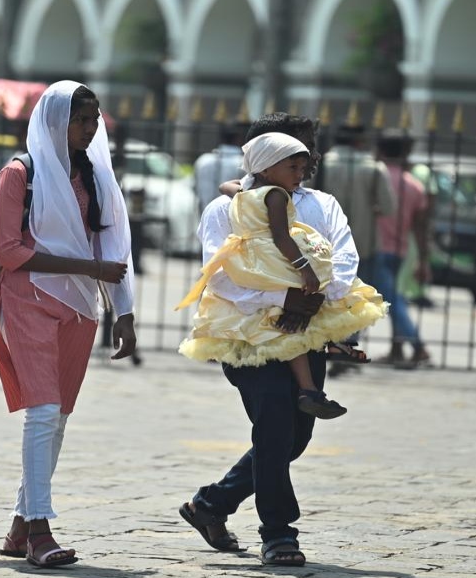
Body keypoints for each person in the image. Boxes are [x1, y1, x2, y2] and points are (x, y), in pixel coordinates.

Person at [178, 112, 360, 567]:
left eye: (307, 150)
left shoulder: (322, 204)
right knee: (276, 420)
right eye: (291, 152)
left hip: (306, 329)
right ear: (260, 158)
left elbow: (343, 259)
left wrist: (320, 298)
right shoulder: (226, 209)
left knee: (295, 435)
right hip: (247, 334)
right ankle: (279, 532)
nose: (305, 159)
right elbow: (221, 277)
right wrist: (285, 295)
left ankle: (212, 504)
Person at [0, 82, 137, 568]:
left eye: (94, 119)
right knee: (43, 411)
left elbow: (113, 246)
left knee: (58, 419)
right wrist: (88, 271)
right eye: (80, 119)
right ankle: (39, 531)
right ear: (55, 121)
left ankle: (18, 524)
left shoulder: (95, 175)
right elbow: (8, 252)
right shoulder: (20, 175)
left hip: (80, 309)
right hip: (28, 299)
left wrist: (125, 311)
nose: (89, 128)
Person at [177, 132, 384, 419]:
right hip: (273, 267)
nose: (304, 172)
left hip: (262, 269)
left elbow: (229, 186)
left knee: (293, 426)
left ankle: (310, 389)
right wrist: (303, 273)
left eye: (303, 164)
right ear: (266, 165)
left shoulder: (246, 195)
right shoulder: (275, 197)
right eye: (293, 166)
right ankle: (311, 389)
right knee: (275, 412)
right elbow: (282, 238)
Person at [373, 131, 431, 367]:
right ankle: (397, 349)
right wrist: (423, 259)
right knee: (392, 297)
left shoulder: (376, 176)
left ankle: (418, 345)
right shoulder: (414, 185)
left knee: (391, 300)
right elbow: (420, 227)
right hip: (400, 249)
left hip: (374, 245)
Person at [318, 125, 396, 279]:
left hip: (323, 240)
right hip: (363, 243)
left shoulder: (320, 166)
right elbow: (388, 208)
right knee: (362, 294)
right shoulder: (374, 168)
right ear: (360, 141)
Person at [194, 125, 246, 210]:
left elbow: (196, 190)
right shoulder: (242, 162)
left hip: (204, 213)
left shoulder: (202, 160)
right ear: (238, 139)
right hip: (231, 216)